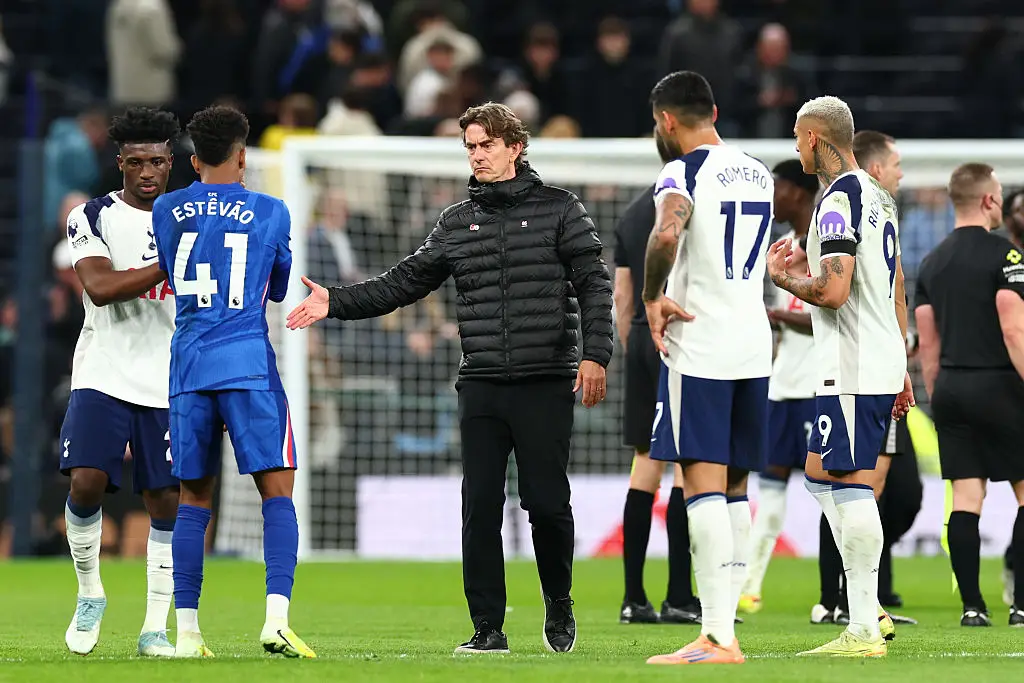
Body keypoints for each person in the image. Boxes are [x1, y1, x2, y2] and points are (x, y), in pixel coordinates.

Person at [286, 102, 613, 655]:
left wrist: (595, 355)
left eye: (486, 145)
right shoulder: (457, 222)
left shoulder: (562, 210)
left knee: (547, 502)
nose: (477, 155)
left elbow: (594, 285)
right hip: (481, 382)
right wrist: (336, 303)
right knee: (478, 505)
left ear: (515, 146)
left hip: (544, 380)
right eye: (470, 147)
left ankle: (559, 599)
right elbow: (403, 282)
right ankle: (488, 628)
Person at [151, 105, 315, 659]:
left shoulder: (166, 209)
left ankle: (189, 634)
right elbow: (274, 289)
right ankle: (276, 619)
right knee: (277, 487)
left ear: (193, 159)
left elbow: (174, 278)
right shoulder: (272, 210)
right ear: (243, 156)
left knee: (194, 496)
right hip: (247, 362)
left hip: (189, 366)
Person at [766, 95, 912, 657]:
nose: (795, 146)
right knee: (817, 472)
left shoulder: (836, 201)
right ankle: (868, 607)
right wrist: (900, 366)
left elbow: (833, 291)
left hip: (850, 364)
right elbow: (890, 285)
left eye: (797, 136)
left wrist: (785, 278)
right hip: (874, 357)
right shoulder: (878, 196)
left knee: (850, 484)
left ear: (815, 138)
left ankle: (862, 626)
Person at [640, 71, 775, 667]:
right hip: (755, 343)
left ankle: (718, 636)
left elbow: (668, 232)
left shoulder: (681, 172)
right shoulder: (760, 171)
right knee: (738, 488)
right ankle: (725, 626)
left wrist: (651, 294)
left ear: (666, 121)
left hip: (701, 343)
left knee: (701, 485)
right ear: (713, 110)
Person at [59, 106, 181, 658]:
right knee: (85, 481)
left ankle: (155, 624)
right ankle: (90, 594)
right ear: (120, 164)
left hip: (170, 376)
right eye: (136, 162)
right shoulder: (91, 215)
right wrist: (173, 262)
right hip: (104, 369)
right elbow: (101, 287)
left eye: (157, 161)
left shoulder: (193, 216)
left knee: (166, 499)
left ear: (172, 162)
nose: (147, 172)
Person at [913, 162, 1024, 628]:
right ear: (988, 200)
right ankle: (1020, 605)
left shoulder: (931, 261)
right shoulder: (1008, 258)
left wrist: (943, 398)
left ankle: (973, 607)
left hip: (953, 389)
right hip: (1000, 383)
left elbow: (928, 344)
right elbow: (1014, 328)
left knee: (966, 499)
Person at [614, 134, 698, 626]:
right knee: (687, 465)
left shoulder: (629, 215)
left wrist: (634, 347)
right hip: (680, 334)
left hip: (642, 339)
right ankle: (680, 596)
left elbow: (622, 297)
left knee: (645, 464)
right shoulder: (694, 207)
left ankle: (632, 598)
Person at [739, 160, 819, 615]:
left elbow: (829, 312)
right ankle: (749, 587)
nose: (772, 197)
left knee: (833, 494)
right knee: (767, 494)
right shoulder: (781, 249)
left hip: (819, 389)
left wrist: (777, 316)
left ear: (798, 192)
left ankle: (847, 594)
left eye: (779, 188)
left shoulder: (830, 244)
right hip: (782, 388)